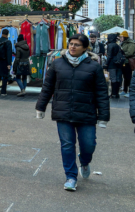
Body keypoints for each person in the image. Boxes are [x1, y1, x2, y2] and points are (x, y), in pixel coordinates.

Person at [36, 34, 109, 191]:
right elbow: (47, 87)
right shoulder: (57, 64)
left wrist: (103, 116)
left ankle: (84, 161)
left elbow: (101, 92)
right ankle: (71, 177)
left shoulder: (94, 66)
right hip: (63, 112)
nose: (72, 47)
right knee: (67, 145)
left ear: (85, 48)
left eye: (77, 44)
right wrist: (40, 107)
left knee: (88, 144)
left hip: (86, 113)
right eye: (71, 44)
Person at [104, 33, 123, 99]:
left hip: (112, 64)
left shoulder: (110, 45)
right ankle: (116, 94)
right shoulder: (117, 45)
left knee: (113, 79)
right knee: (117, 79)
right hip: (119, 64)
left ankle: (113, 94)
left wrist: (106, 64)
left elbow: (109, 56)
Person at [119, 31, 135, 97]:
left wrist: (122, 54)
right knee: (125, 77)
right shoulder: (123, 43)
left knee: (128, 77)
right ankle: (125, 90)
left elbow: (130, 53)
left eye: (121, 37)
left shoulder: (131, 43)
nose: (120, 38)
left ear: (124, 37)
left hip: (128, 62)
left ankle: (129, 91)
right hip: (123, 62)